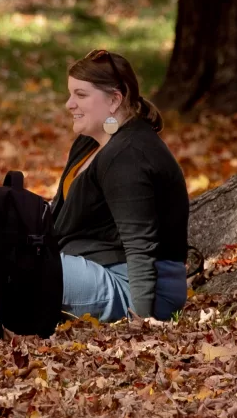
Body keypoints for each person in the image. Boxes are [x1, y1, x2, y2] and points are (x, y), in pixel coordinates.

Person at [52, 49, 189, 322]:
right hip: (92, 268)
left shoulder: (128, 157)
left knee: (17, 269)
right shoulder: (90, 143)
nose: (69, 104)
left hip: (133, 287)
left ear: (115, 99)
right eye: (70, 94)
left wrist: (142, 320)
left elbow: (141, 246)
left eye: (81, 95)